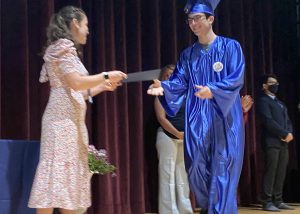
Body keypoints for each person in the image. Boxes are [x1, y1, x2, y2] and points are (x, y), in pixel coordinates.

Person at [147, 0, 245, 213]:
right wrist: (163, 87)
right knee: (197, 171)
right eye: (190, 20)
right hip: (197, 119)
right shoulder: (188, 55)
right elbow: (179, 82)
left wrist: (214, 90)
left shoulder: (230, 47)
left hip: (224, 118)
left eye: (197, 18)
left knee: (223, 169)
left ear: (211, 19)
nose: (192, 23)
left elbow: (236, 79)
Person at [28, 6, 127, 214]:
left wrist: (102, 86)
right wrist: (106, 75)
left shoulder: (66, 49)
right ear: (74, 23)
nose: (88, 31)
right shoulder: (62, 46)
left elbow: (76, 91)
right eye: (86, 25)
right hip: (61, 122)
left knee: (67, 180)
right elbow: (75, 82)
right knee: (54, 176)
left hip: (71, 122)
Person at [155, 65, 193, 214]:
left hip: (184, 139)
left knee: (183, 176)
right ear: (162, 78)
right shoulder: (161, 94)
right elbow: (161, 118)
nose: (171, 77)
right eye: (167, 75)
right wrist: (177, 133)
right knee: (167, 176)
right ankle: (169, 211)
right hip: (167, 137)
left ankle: (185, 210)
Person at [257, 74, 294, 211]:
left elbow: (288, 120)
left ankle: (278, 200)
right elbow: (268, 121)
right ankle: (267, 201)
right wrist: (283, 133)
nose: (275, 85)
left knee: (281, 171)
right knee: (271, 171)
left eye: (276, 82)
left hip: (284, 142)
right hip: (271, 141)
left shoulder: (281, 103)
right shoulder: (263, 101)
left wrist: (289, 133)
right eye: (272, 82)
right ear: (264, 86)